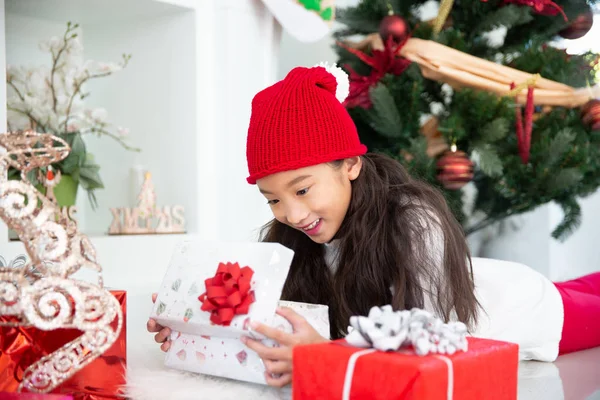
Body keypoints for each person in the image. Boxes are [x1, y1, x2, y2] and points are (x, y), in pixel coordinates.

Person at [147, 63, 600, 387]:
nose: (290, 213)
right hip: (466, 280)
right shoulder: (290, 239)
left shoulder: (413, 221)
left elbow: (422, 348)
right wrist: (200, 328)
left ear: (349, 165)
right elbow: (282, 325)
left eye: (302, 190)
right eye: (272, 199)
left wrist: (320, 355)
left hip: (521, 307)